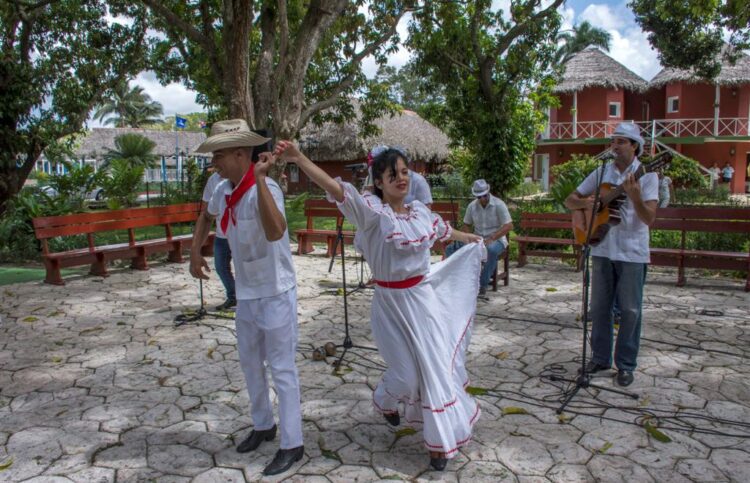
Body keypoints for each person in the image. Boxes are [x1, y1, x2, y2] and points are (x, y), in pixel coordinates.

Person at [274, 140, 484, 472]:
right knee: (404, 376)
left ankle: (441, 445)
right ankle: (385, 400)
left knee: (434, 371)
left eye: (404, 172)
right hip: (389, 303)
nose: (401, 178)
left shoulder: (420, 213)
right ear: (379, 182)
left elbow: (444, 230)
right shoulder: (372, 214)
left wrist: (467, 239)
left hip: (423, 302)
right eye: (392, 174)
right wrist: (298, 158)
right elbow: (335, 188)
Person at [189, 119, 304, 477]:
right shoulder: (221, 188)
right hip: (248, 294)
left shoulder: (266, 187)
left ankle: (292, 444)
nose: (215, 163)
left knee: (282, 369)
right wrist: (195, 251)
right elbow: (206, 216)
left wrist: (258, 179)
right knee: (250, 364)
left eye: (219, 155)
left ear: (241, 154)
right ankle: (262, 424)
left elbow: (275, 232)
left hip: (276, 291)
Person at [564, 122, 658, 387]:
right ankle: (600, 358)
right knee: (599, 307)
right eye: (613, 141)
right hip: (602, 247)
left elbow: (649, 218)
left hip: (632, 251)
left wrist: (635, 197)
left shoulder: (648, 176)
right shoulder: (601, 172)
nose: (614, 146)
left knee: (630, 310)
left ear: (634, 146)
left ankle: (626, 365)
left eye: (620, 141)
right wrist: (586, 203)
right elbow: (570, 200)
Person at [445, 179, 513, 296]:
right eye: (479, 197)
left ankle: (482, 285)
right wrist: (467, 239)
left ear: (488, 192)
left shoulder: (498, 204)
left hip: (497, 240)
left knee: (490, 250)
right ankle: (458, 279)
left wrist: (492, 238)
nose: (482, 199)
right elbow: (466, 225)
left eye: (484, 196)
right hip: (477, 239)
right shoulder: (472, 206)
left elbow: (509, 225)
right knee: (450, 248)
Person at [202, 170, 236, 310]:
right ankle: (233, 296)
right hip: (222, 234)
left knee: (246, 268)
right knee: (221, 266)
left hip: (239, 234)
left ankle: (248, 298)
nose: (216, 162)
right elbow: (206, 210)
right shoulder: (214, 181)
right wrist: (197, 246)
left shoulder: (239, 178)